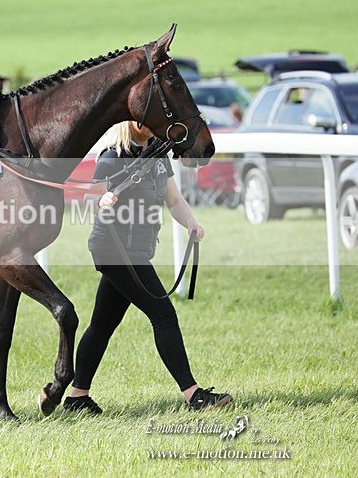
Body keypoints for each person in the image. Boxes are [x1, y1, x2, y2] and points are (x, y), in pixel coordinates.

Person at [63, 120, 232, 414]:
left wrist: (191, 222)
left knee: (102, 325)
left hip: (138, 250)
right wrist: (102, 199)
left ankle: (77, 397)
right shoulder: (112, 157)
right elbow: (89, 198)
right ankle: (194, 395)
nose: (147, 123)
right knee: (163, 315)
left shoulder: (158, 156)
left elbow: (175, 200)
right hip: (116, 250)